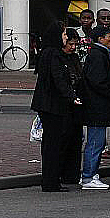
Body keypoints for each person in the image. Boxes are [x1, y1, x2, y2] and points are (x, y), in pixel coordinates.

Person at [30, 22, 81, 192]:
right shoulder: (53, 55)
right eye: (64, 34)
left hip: (48, 104)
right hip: (52, 105)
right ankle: (51, 181)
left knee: (51, 143)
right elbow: (58, 79)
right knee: (53, 144)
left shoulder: (47, 53)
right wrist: (71, 96)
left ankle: (51, 179)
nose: (65, 38)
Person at [80, 27, 110, 189]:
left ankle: (90, 174)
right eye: (109, 36)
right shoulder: (98, 55)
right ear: (100, 39)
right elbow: (98, 82)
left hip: (98, 105)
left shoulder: (100, 54)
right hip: (97, 106)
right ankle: (89, 176)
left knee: (96, 142)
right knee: (96, 143)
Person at [59, 28, 86, 185]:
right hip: (65, 105)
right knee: (64, 139)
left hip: (76, 105)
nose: (73, 47)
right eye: (70, 44)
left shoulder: (74, 58)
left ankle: (72, 173)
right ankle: (63, 172)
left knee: (75, 140)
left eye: (75, 44)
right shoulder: (58, 58)